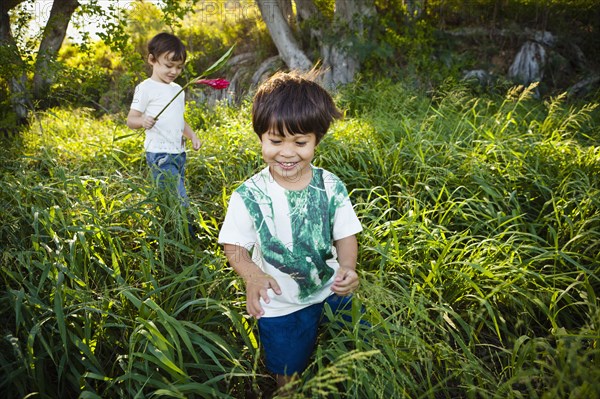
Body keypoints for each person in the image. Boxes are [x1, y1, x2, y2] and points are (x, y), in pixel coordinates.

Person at [218, 71, 363, 390]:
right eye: (275, 140)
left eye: (300, 142)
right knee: (287, 365)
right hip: (280, 304)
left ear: (316, 140)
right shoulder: (250, 195)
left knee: (359, 339)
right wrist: (253, 276)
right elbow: (235, 247)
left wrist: (348, 268)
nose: (287, 152)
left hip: (331, 288)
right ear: (260, 137)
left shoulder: (329, 185)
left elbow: (345, 234)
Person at [127, 32, 201, 206]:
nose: (174, 71)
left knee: (170, 199)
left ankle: (169, 227)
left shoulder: (178, 90)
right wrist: (143, 121)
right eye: (169, 65)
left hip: (179, 153)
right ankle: (186, 231)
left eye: (179, 67)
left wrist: (193, 136)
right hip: (159, 154)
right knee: (180, 202)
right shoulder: (145, 88)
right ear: (152, 60)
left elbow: (179, 120)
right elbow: (131, 120)